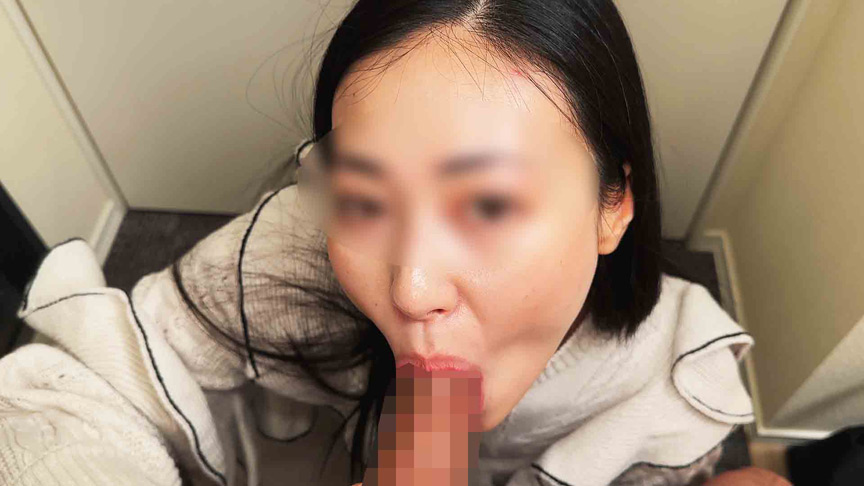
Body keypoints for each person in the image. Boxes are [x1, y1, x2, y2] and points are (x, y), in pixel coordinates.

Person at [0, 1, 776, 485]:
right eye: (365, 201)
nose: (410, 288)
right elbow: (87, 387)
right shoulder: (293, 249)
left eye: (488, 204)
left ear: (615, 204)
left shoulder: (674, 386)